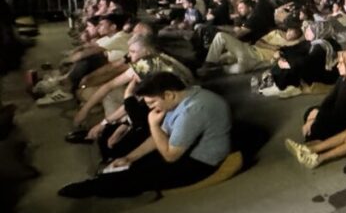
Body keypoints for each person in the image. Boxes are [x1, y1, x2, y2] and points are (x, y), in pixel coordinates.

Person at [58, 73, 231, 198]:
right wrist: (130, 158)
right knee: (130, 160)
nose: (150, 108)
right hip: (185, 147)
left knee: (136, 176)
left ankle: (92, 188)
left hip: (201, 161)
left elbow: (171, 156)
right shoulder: (181, 98)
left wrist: (152, 124)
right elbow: (161, 136)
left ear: (169, 94)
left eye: (152, 102)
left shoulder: (192, 110)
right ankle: (108, 179)